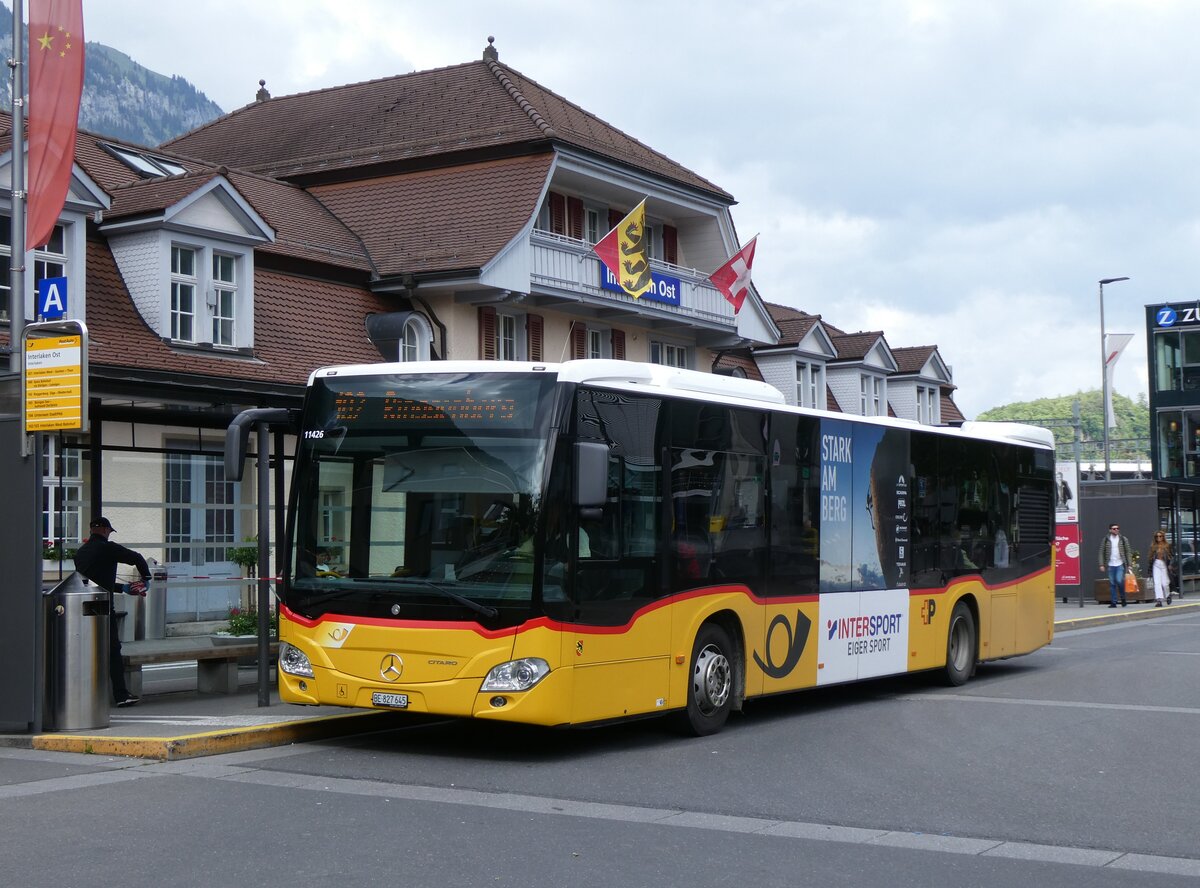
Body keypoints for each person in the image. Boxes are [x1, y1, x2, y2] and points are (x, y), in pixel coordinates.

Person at [73, 517, 150, 707]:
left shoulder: (81, 553)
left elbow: (95, 582)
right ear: (105, 530)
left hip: (83, 608)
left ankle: (85, 695)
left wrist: (123, 588)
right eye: (109, 531)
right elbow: (137, 558)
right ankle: (121, 695)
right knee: (113, 650)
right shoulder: (108, 548)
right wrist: (146, 578)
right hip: (104, 607)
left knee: (88, 650)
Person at [1097, 522, 1132, 608]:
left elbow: (1128, 552)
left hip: (1120, 564)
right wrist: (1101, 564)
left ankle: (1123, 598)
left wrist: (1129, 564)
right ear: (1110, 530)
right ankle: (1114, 602)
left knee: (1119, 581)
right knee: (1112, 583)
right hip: (1110, 564)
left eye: (1117, 528)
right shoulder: (1106, 539)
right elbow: (1101, 552)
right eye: (1114, 529)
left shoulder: (1123, 539)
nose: (1116, 530)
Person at [1149, 530, 1173, 607]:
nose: (1158, 538)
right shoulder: (1153, 546)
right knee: (1157, 583)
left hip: (1164, 565)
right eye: (1157, 536)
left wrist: (1170, 564)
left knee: (1165, 583)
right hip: (1156, 564)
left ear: (1163, 537)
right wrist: (1149, 568)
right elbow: (1150, 557)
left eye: (1160, 536)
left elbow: (1171, 556)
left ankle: (1168, 595)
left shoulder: (1167, 545)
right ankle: (1159, 600)